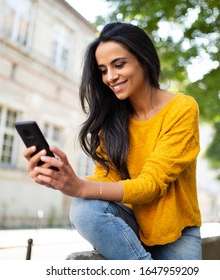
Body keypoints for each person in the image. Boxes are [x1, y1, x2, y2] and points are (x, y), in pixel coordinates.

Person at [23, 22, 202, 260]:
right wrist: (60, 179)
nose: (110, 77)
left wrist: (79, 185)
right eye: (103, 70)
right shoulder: (112, 120)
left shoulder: (181, 108)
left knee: (83, 195)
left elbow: (152, 185)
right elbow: (106, 180)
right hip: (130, 229)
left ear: (144, 60)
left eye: (119, 65)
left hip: (176, 233)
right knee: (83, 208)